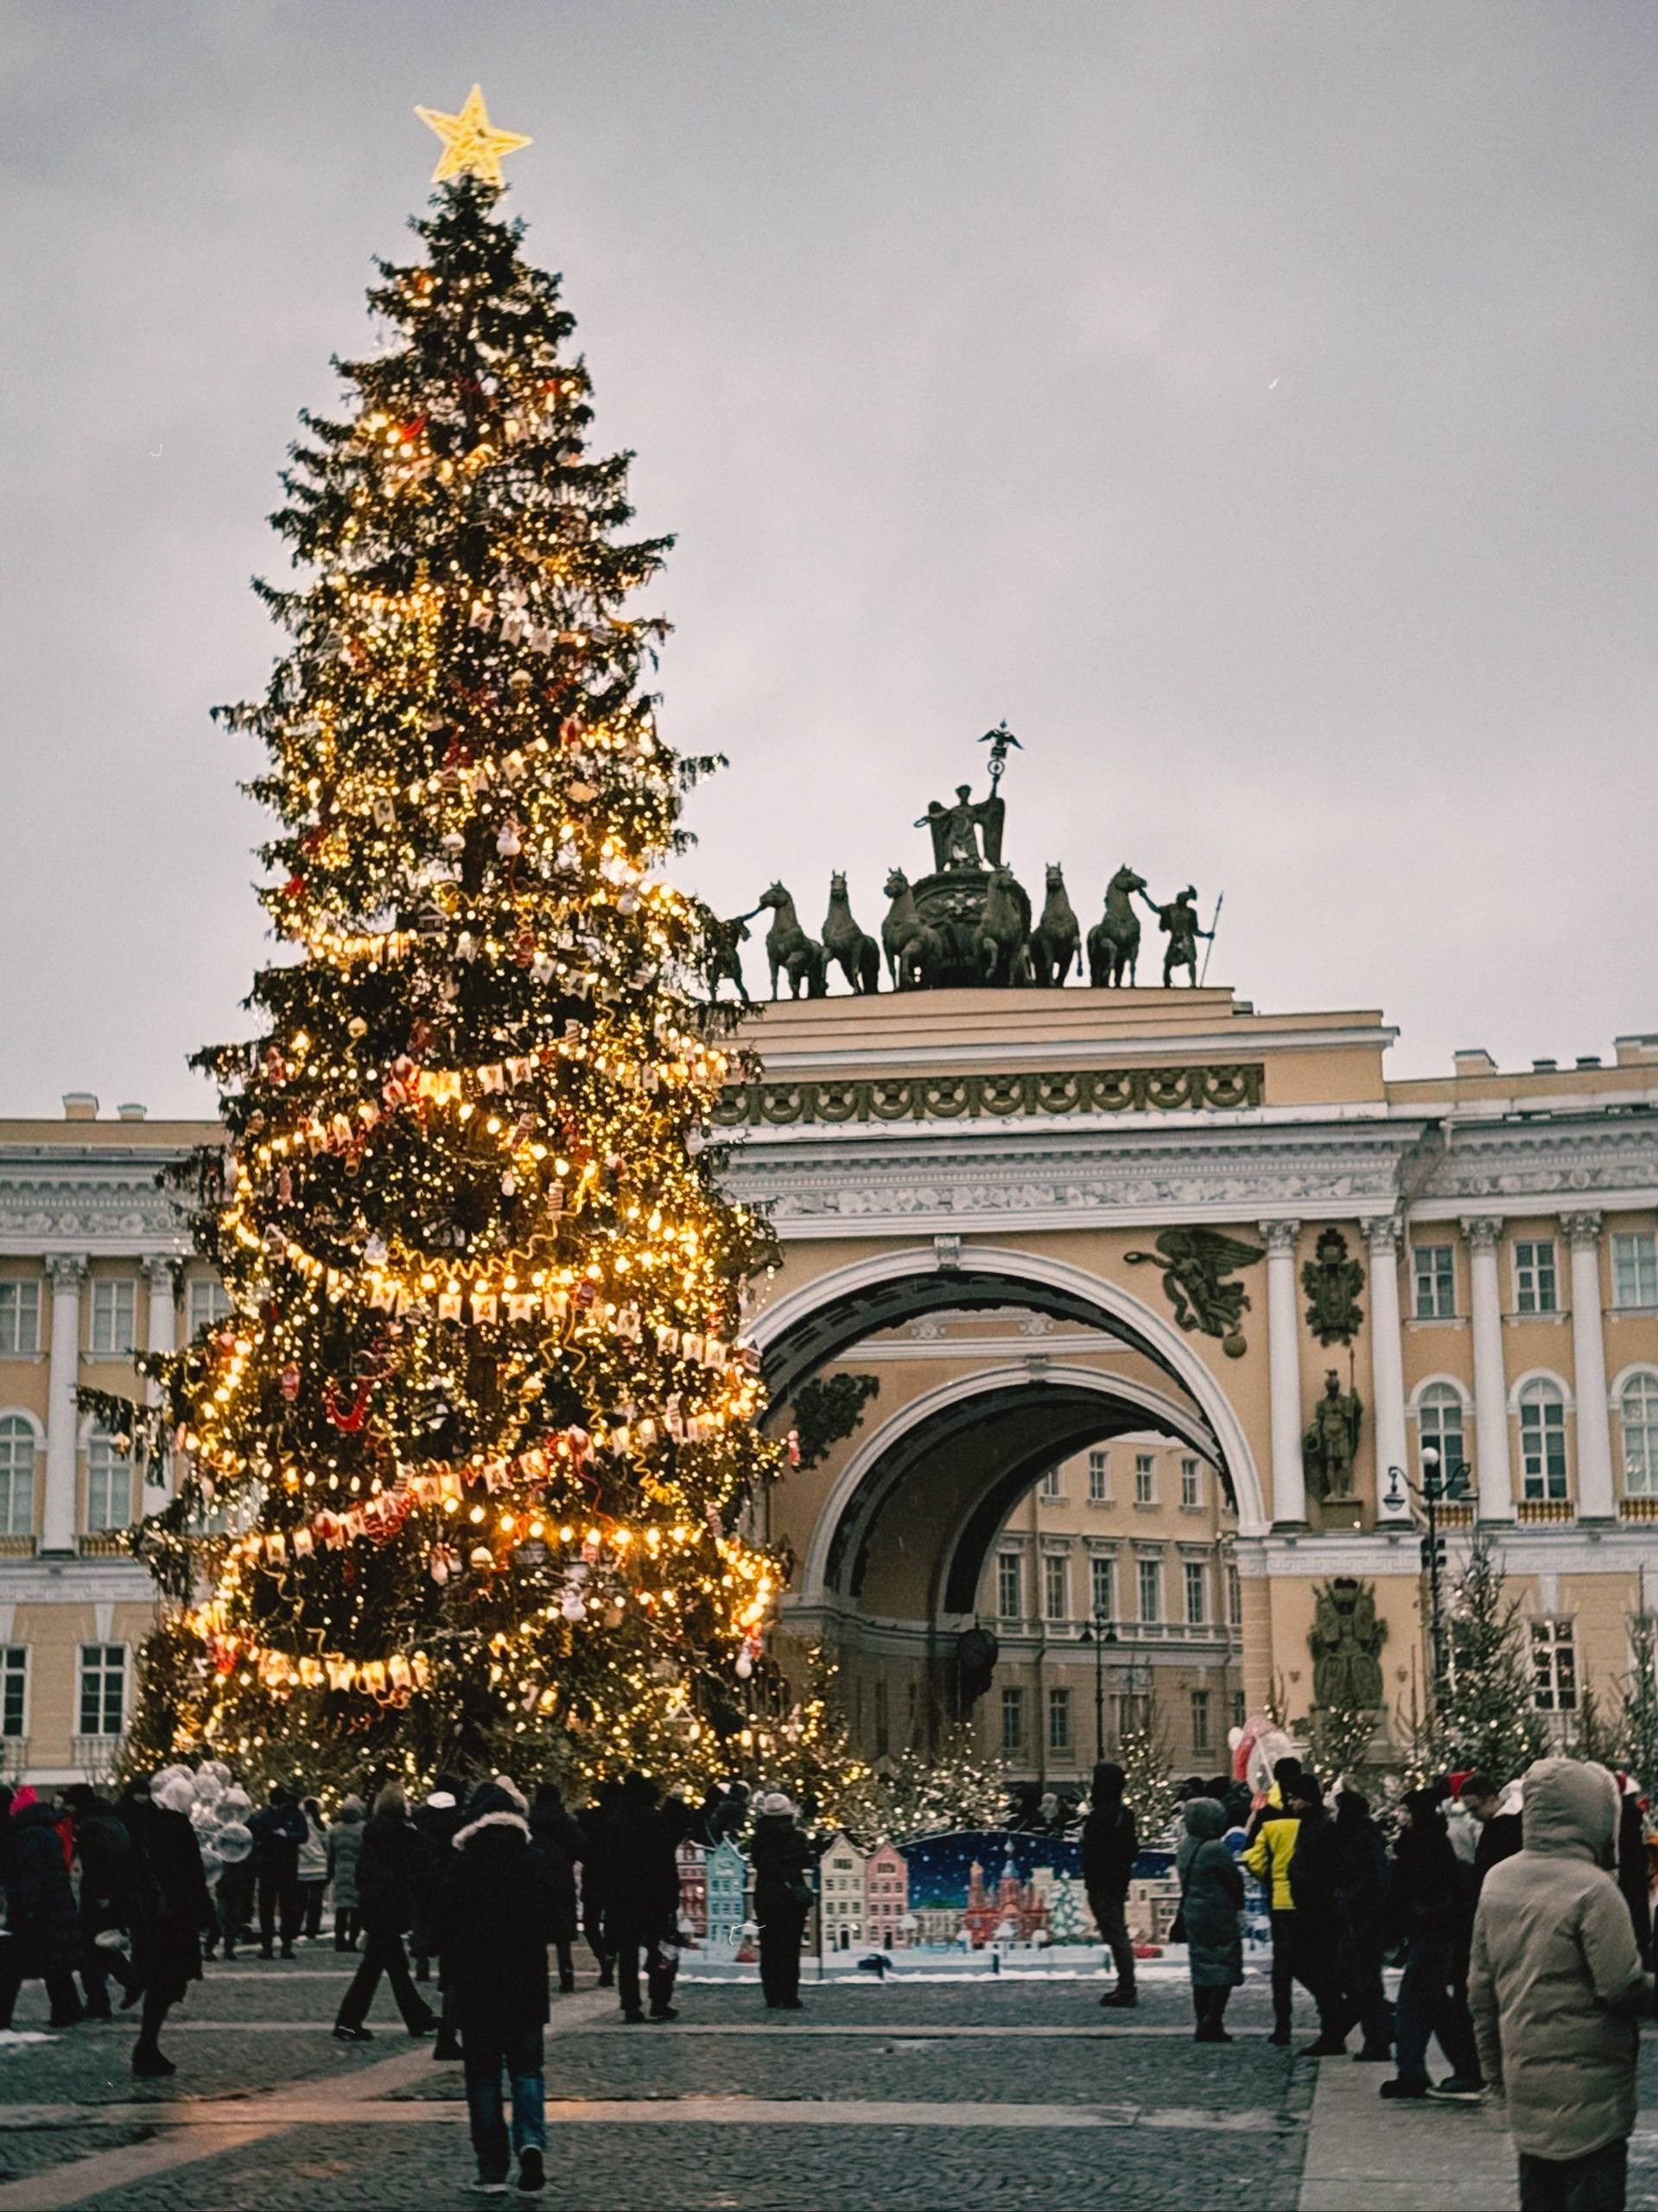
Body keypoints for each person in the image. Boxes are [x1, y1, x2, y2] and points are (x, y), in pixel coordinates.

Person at [1471, 1758, 1654, 2212]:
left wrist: (1494, 2076)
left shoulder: (1498, 1881)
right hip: (1593, 2094)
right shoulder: (1594, 1889)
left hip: (1526, 2086)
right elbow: (1621, 1986)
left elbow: (1481, 1990)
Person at [441, 1779, 556, 2196]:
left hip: (477, 1985)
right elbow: (556, 1922)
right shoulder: (535, 1861)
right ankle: (530, 2142)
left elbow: (446, 1930)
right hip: (526, 1984)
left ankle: (492, 2169)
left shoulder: (462, 1864)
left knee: (483, 2077)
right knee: (527, 2071)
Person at [1381, 1787, 1483, 2102]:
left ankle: (1412, 2074)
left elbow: (1404, 1891)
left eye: (1405, 1811)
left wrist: (1392, 1928)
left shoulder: (1418, 1844)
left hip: (1430, 1931)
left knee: (1413, 2005)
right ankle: (1465, 2068)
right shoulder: (1436, 1840)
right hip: (1439, 1932)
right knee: (1435, 2004)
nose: (1400, 1816)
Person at [120, 1770, 213, 2077]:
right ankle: (146, 2047)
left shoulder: (141, 1826)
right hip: (173, 1919)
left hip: (152, 1918)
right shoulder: (175, 1825)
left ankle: (147, 2043)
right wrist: (206, 1915)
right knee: (167, 1982)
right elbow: (194, 1875)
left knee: (162, 1981)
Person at [332, 1784, 436, 2042]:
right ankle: (348, 2023)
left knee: (388, 1967)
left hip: (375, 1907)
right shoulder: (406, 1836)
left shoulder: (371, 1836)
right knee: (376, 1970)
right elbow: (425, 1863)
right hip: (393, 1906)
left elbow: (361, 1875)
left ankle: (416, 2017)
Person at [0, 1796, 85, 2030]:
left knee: (12, 1965)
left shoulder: (29, 1836)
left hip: (40, 1910)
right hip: (54, 1906)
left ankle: (4, 2018)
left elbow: (31, 1874)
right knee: (54, 1962)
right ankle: (68, 2011)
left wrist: (24, 1907)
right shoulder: (46, 1832)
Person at [1243, 1775, 1312, 2045]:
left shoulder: (1268, 1821)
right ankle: (1331, 2009)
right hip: (1308, 1901)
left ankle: (1283, 2024)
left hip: (1280, 1900)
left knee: (1282, 1967)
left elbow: (1253, 1858)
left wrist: (1269, 1877)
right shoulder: (1311, 1819)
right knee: (1311, 1959)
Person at [608, 1772, 680, 2024]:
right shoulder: (656, 1820)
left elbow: (606, 1862)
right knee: (658, 1949)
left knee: (627, 1953)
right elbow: (667, 1861)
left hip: (624, 1895)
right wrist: (672, 1894)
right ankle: (659, 2000)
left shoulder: (616, 1821)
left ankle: (630, 2005)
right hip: (655, 1895)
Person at [1284, 1775, 1348, 2056]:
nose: (1290, 1803)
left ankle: (1335, 2024)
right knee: (1313, 1968)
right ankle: (1335, 2021)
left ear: (1306, 1799)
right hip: (1312, 1909)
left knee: (1317, 1969)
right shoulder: (1313, 1823)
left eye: (1293, 1798)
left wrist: (1301, 1877)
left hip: (1318, 1911)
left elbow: (1319, 1868)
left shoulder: (1320, 1826)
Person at [1328, 1789, 1393, 2062]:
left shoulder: (1361, 1841)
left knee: (1362, 1980)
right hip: (1358, 1918)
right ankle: (1379, 2031)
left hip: (1363, 1919)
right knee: (1355, 1977)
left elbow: (1369, 1881)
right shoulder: (1359, 1838)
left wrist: (1348, 1898)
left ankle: (1377, 2037)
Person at [62, 1786, 134, 2018]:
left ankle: (101, 2001)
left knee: (89, 1949)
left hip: (98, 1897)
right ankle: (127, 1983)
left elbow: (98, 1863)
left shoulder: (90, 1826)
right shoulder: (112, 1820)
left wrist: (101, 1893)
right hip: (115, 1893)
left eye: (69, 1804)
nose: (67, 1809)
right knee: (98, 1945)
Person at [1178, 1796, 1244, 2043]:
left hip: (1193, 1913)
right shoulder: (1215, 1849)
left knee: (1202, 1968)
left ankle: (1202, 2021)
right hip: (1218, 1913)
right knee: (1223, 1965)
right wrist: (1239, 1906)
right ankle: (1213, 2021)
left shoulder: (1185, 1847)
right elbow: (1233, 1880)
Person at [1081, 1761, 1138, 2009]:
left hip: (1102, 1882)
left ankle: (1127, 1987)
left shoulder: (1100, 1816)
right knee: (1117, 1934)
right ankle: (1126, 1985)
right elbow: (1131, 1849)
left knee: (1115, 1935)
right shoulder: (1124, 1814)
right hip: (1116, 1880)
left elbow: (1093, 1852)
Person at [750, 1791, 813, 2012]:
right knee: (790, 1949)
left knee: (769, 1949)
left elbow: (758, 1863)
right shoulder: (796, 1837)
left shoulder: (759, 1838)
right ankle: (789, 1995)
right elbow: (806, 1861)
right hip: (791, 1899)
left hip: (766, 1898)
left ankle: (772, 1995)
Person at [528, 1782, 586, 1994]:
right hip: (561, 1876)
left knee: (537, 1930)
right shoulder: (567, 1822)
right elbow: (581, 1847)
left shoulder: (529, 1822)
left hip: (536, 1877)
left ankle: (539, 1975)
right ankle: (566, 1971)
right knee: (562, 1934)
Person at [248, 1783, 308, 1960]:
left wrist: (286, 1835)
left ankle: (283, 1944)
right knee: (271, 1906)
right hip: (275, 1865)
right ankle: (271, 1945)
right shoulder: (268, 1816)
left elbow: (303, 1835)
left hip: (281, 1865)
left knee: (283, 1906)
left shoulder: (284, 1815)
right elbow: (255, 1840)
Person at [578, 1780, 621, 1986]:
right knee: (612, 1923)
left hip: (594, 1874)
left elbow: (580, 1846)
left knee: (591, 1923)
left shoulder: (588, 1818)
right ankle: (608, 1960)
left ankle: (603, 1956)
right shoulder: (622, 1820)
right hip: (615, 1876)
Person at [210, 1788, 256, 1960]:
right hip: (223, 1879)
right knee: (220, 1916)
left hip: (238, 1879)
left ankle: (229, 1948)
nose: (233, 1814)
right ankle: (210, 1947)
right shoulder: (218, 1830)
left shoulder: (245, 1830)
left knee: (234, 1916)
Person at [1461, 1771, 1524, 1884]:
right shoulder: (1522, 1816)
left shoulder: (1497, 1831)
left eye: (1474, 1809)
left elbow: (1484, 1872)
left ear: (1491, 1799)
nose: (1472, 1816)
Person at [327, 1794, 366, 1952]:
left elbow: (331, 1854)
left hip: (340, 1870)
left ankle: (339, 1940)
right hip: (358, 1870)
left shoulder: (335, 1829)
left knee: (341, 1908)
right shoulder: (363, 1828)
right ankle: (353, 1941)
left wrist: (330, 1871)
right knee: (356, 1909)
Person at [296, 1796, 329, 1943]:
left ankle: (297, 1927)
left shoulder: (300, 1825)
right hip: (320, 1866)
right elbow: (327, 1846)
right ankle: (312, 1929)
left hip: (303, 1867)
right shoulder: (324, 1826)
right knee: (316, 1901)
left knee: (300, 1900)